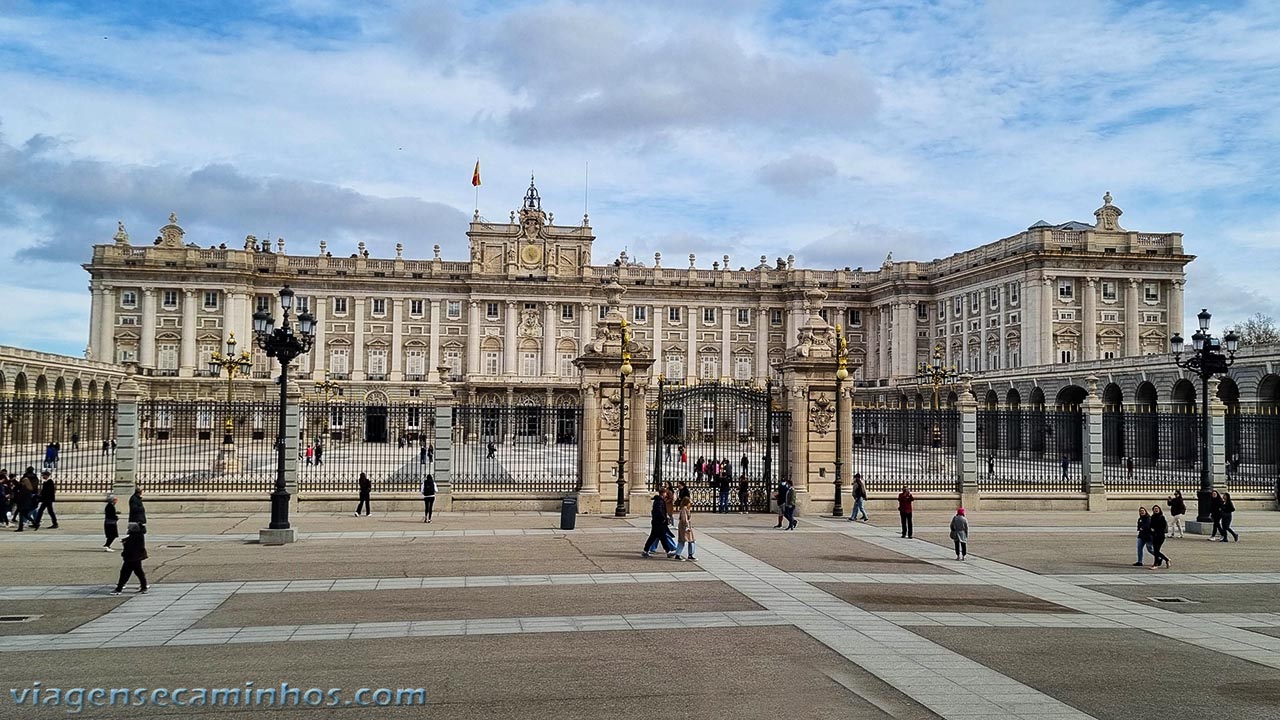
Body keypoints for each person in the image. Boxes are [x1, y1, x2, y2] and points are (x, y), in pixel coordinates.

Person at [111, 522, 149, 595]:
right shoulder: (138, 535)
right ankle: (143, 587)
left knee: (125, 573)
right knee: (138, 572)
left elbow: (130, 548)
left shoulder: (134, 537)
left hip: (132, 557)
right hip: (136, 557)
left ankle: (119, 589)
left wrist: (125, 545)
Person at [642, 492, 676, 557]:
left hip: (657, 522)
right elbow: (660, 512)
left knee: (660, 537)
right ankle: (646, 551)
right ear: (663, 493)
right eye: (665, 493)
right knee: (658, 537)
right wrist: (665, 519)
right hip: (659, 523)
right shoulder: (660, 501)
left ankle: (667, 551)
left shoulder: (658, 501)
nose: (666, 495)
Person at [672, 495, 696, 561]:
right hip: (684, 527)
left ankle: (690, 554)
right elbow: (684, 519)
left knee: (691, 540)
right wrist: (687, 526)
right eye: (689, 503)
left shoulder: (686, 509)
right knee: (683, 540)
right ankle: (678, 554)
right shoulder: (684, 509)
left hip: (686, 527)